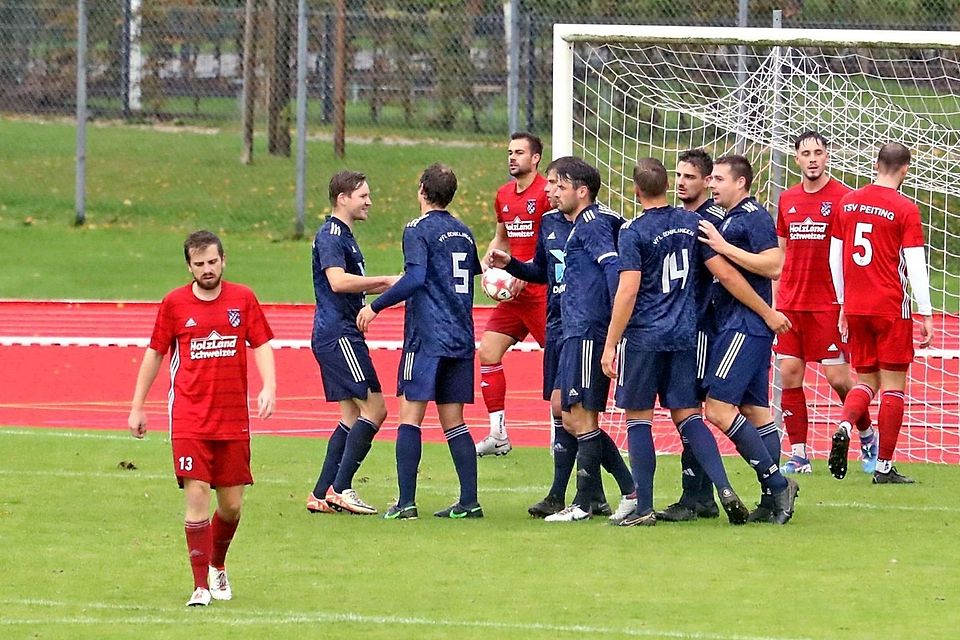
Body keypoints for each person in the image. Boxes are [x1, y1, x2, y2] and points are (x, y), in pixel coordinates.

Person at [601, 158, 791, 526]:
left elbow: (627, 290)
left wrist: (611, 342)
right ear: (669, 185)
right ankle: (722, 488)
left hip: (649, 336)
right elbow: (724, 273)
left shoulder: (633, 230)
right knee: (692, 416)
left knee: (641, 419)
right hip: (687, 337)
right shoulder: (691, 224)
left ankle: (644, 508)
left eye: (713, 178)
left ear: (636, 190)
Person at [127, 230, 276, 607]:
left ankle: (218, 564)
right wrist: (137, 405)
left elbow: (261, 344)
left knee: (231, 506)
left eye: (212, 262)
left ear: (223, 260)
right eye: (199, 264)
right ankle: (200, 587)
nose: (207, 269)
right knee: (196, 496)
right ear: (189, 266)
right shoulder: (174, 304)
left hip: (233, 420)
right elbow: (155, 354)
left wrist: (269, 386)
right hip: (190, 417)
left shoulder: (243, 299)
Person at [488, 156, 636, 520]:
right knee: (562, 409)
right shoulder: (550, 223)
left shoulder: (601, 224)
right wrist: (511, 266)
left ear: (580, 190)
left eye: (557, 185)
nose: (550, 191)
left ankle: (596, 497)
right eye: (551, 184)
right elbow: (541, 269)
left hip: (587, 327)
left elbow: (614, 272)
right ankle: (596, 494)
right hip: (560, 324)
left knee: (577, 413)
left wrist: (614, 326)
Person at [357, 163, 484, 519]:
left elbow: (416, 277)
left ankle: (406, 502)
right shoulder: (464, 231)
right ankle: (469, 502)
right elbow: (469, 275)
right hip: (460, 335)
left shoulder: (416, 229)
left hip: (426, 337)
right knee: (455, 421)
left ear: (423, 190)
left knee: (410, 418)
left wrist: (376, 306)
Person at [697, 155, 800, 524]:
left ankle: (777, 485)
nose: (713, 184)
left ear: (740, 183)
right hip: (737, 324)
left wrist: (725, 248)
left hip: (744, 325)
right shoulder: (722, 216)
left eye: (720, 179)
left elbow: (773, 265)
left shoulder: (754, 216)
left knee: (717, 410)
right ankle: (771, 501)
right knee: (756, 413)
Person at [828, 142, 934, 484]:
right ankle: (884, 466)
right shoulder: (905, 208)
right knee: (893, 387)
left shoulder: (847, 202)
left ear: (876, 164)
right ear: (905, 169)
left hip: (856, 306)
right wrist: (927, 312)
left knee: (866, 381)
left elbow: (835, 257)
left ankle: (845, 424)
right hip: (889, 307)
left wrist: (843, 303)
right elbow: (915, 264)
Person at [775, 131, 877, 475]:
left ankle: (865, 433)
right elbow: (783, 252)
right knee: (789, 374)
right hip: (791, 302)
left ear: (828, 156)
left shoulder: (844, 198)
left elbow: (850, 255)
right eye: (806, 153)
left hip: (829, 304)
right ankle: (799, 454)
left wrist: (849, 303)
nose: (813, 158)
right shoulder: (787, 199)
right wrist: (777, 300)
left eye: (819, 151)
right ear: (797, 159)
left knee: (837, 377)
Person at [305, 171, 399, 516]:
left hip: (341, 333)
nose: (369, 201)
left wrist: (394, 286)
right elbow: (338, 281)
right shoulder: (331, 234)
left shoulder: (345, 235)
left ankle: (320, 493)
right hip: (338, 334)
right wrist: (388, 280)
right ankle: (341, 488)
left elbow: (355, 284)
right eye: (363, 195)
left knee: (351, 414)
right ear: (342, 198)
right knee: (376, 410)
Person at [656, 149, 727, 522]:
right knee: (688, 410)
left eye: (690, 176)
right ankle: (701, 496)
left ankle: (696, 495)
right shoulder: (685, 219)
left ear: (706, 181)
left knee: (689, 410)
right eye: (678, 175)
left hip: (702, 326)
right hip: (690, 325)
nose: (682, 182)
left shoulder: (704, 223)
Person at [476, 132, 551, 456]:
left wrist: (528, 269)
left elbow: (554, 242)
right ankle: (498, 433)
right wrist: (487, 265)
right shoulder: (503, 194)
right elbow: (501, 239)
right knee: (488, 352)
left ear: (535, 158)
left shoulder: (547, 193)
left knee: (561, 362)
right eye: (509, 152)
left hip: (540, 290)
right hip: (513, 295)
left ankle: (564, 435)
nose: (512, 157)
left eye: (519, 152)